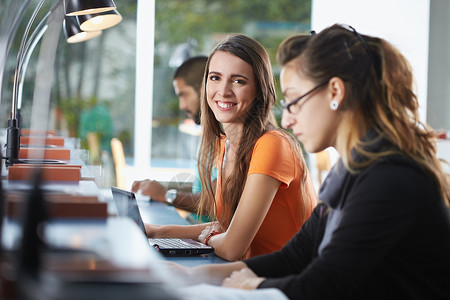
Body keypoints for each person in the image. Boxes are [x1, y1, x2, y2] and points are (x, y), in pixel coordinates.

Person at [169, 24, 450, 299]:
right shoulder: (351, 170)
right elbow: (293, 258)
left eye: (294, 100)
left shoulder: (390, 178)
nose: (288, 119)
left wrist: (251, 286)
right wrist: (189, 276)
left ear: (336, 93)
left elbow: (325, 286)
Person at [145, 33, 317, 261]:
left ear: (260, 90)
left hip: (283, 286)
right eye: (215, 78)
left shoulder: (273, 145)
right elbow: (226, 227)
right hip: (247, 274)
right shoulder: (225, 145)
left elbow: (230, 246)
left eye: (238, 81)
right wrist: (157, 231)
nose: (223, 91)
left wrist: (209, 238)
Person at [132, 56, 210, 212]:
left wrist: (166, 194)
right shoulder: (209, 135)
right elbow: (201, 191)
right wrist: (159, 189)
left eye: (184, 95)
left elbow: (213, 203)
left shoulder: (229, 136)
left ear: (204, 89)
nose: (181, 105)